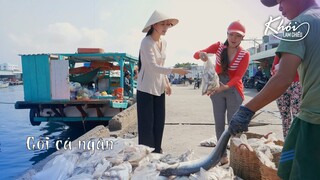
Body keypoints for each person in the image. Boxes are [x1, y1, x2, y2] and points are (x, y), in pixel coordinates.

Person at [228, 0, 320, 179]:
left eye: (280, 1)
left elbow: (283, 78)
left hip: (314, 121)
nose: (280, 9)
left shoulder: (298, 25)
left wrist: (247, 110)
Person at [193, 20, 250, 165]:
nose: (233, 38)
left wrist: (226, 86)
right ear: (227, 34)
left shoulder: (244, 54)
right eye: (231, 34)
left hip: (234, 90)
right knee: (219, 123)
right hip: (216, 89)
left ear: (242, 38)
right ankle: (222, 156)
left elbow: (238, 76)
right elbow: (196, 54)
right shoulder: (218, 47)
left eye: (238, 36)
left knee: (234, 125)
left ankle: (236, 157)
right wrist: (202, 54)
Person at [137, 10, 189, 153]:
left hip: (159, 87)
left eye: (168, 24)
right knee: (147, 124)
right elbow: (153, 67)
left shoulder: (163, 42)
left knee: (159, 122)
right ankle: (146, 153)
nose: (166, 27)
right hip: (146, 88)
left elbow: (162, 63)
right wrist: (175, 71)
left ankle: (157, 151)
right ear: (154, 25)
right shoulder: (146, 42)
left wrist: (167, 83)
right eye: (162, 24)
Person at [271, 55, 302, 139]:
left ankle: (297, 143)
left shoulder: (302, 45)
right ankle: (287, 143)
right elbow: (274, 68)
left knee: (297, 115)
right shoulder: (282, 48)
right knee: (285, 118)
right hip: (282, 83)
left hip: (298, 82)